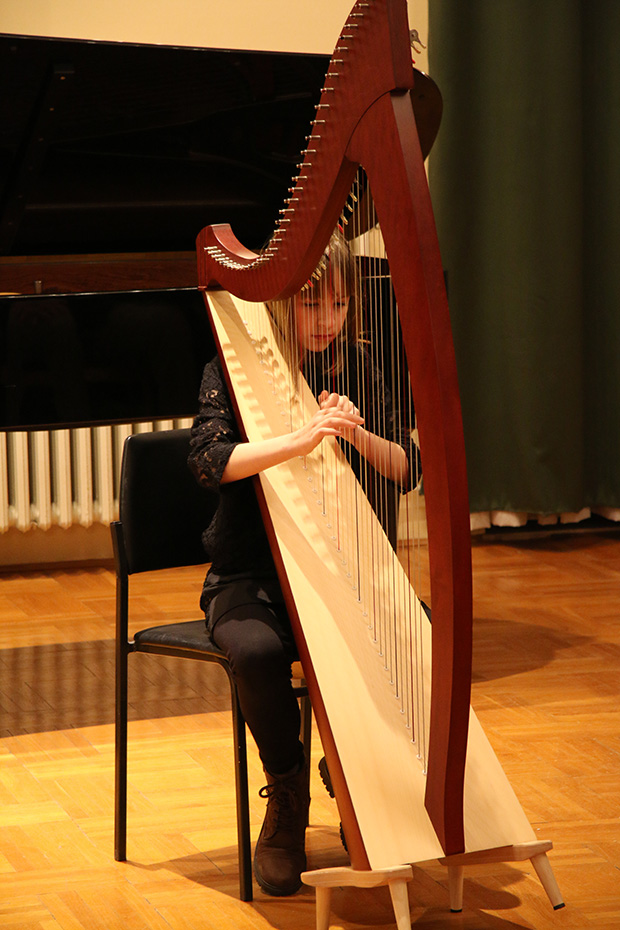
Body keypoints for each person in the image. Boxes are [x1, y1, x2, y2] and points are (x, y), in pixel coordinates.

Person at [188, 233, 411, 897]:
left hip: (347, 574)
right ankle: (286, 791)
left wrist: (355, 433)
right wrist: (298, 439)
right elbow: (208, 461)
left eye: (340, 306)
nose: (328, 321)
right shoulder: (228, 369)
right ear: (283, 303)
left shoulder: (362, 370)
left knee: (407, 634)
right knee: (255, 653)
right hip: (247, 578)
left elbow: (408, 469)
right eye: (314, 305)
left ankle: (353, 782)